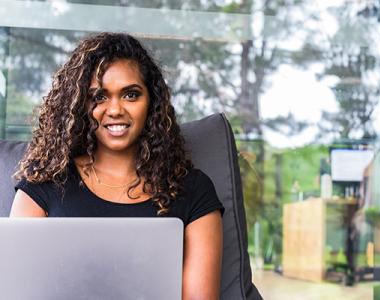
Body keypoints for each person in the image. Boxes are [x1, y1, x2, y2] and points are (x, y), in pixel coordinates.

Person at [9, 32, 224, 299]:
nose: (115, 109)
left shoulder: (194, 190)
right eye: (99, 96)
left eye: (131, 95)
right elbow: (16, 290)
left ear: (151, 103)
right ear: (80, 105)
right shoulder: (43, 185)